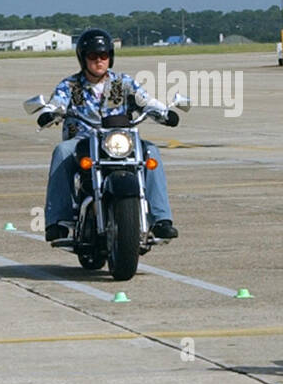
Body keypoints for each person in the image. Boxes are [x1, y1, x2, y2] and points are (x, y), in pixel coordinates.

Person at [38, 28, 179, 243]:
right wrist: (48, 113)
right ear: (83, 58)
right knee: (61, 151)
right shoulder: (70, 85)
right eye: (93, 56)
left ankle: (161, 220)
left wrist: (165, 113)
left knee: (151, 151)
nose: (98, 61)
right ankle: (57, 220)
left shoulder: (123, 82)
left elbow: (145, 100)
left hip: (119, 140)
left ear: (110, 57)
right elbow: (57, 102)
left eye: (103, 56)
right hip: (82, 141)